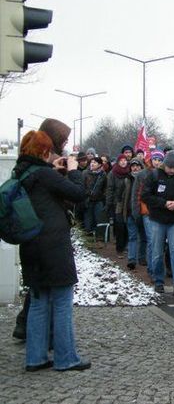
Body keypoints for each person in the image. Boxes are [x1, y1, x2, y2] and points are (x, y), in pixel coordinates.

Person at [17, 130, 90, 371]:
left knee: (39, 302)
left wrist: (55, 170)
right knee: (61, 301)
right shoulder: (44, 175)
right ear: (45, 151)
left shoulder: (22, 173)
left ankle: (35, 358)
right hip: (54, 247)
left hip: (31, 246)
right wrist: (73, 171)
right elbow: (79, 194)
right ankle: (66, 358)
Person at [141, 150, 174, 296]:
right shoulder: (154, 175)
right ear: (165, 165)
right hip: (157, 219)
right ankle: (158, 281)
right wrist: (163, 203)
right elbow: (145, 195)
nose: (172, 171)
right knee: (157, 252)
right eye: (170, 168)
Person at [106, 154, 130, 259]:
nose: (123, 162)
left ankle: (125, 247)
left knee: (127, 226)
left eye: (125, 160)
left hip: (128, 203)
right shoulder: (112, 173)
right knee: (119, 226)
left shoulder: (129, 172)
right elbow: (110, 189)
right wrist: (109, 203)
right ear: (118, 162)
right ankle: (119, 249)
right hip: (117, 204)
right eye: (121, 160)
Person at [124, 159, 144, 269]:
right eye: (133, 166)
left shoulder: (146, 179)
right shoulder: (127, 180)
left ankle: (142, 257)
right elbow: (122, 197)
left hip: (142, 212)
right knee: (132, 236)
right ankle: (132, 259)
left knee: (144, 237)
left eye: (137, 166)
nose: (135, 168)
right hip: (130, 212)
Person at [82, 156, 107, 235]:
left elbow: (105, 187)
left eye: (95, 162)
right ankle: (88, 238)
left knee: (98, 219)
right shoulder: (85, 173)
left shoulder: (103, 174)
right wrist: (87, 193)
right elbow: (82, 186)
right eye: (91, 162)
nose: (92, 164)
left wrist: (102, 196)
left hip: (98, 200)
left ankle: (98, 237)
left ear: (99, 165)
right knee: (88, 220)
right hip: (88, 200)